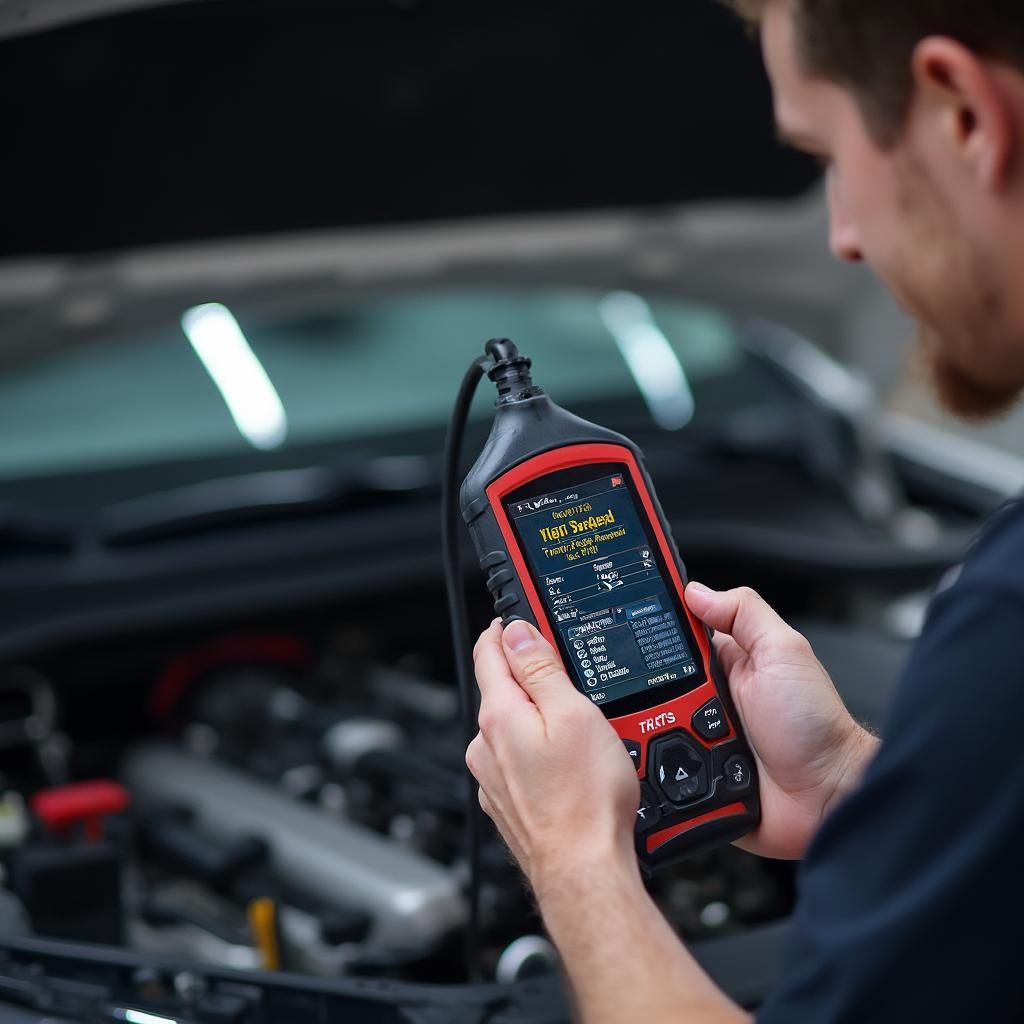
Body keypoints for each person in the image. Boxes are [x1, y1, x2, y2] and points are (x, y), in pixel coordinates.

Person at [465, 1, 1024, 1020]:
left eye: (825, 154)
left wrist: (575, 858)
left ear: (963, 116)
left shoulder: (1007, 617)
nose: (844, 238)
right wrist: (851, 778)